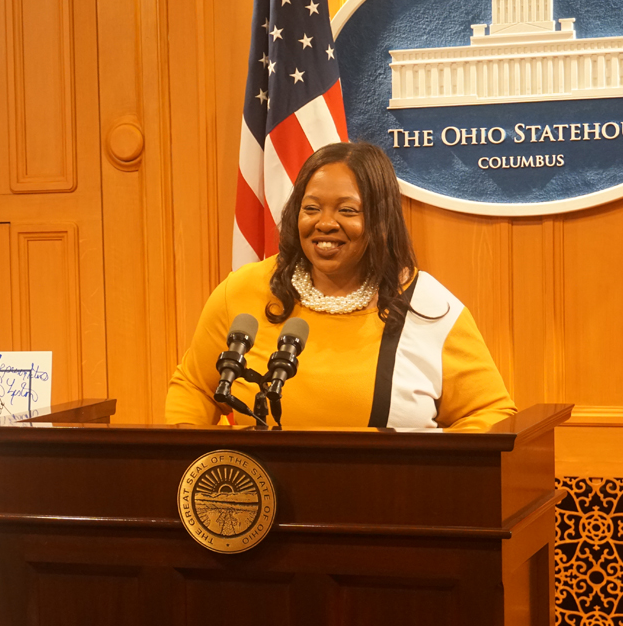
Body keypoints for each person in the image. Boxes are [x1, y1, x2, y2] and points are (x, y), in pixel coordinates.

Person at [165, 141, 515, 431]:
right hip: (257, 504)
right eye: (311, 208)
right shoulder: (244, 290)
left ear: (379, 220)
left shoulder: (427, 306)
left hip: (389, 503)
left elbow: (491, 414)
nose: (325, 223)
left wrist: (433, 470)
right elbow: (194, 386)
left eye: (347, 211)